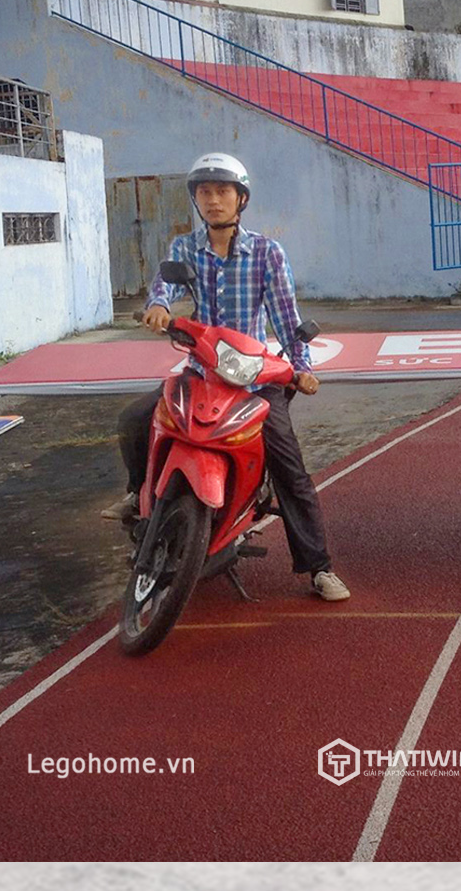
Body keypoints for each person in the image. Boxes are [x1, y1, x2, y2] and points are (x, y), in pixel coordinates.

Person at [99, 152, 349, 603]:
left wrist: (302, 369)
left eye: (222, 192)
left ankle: (319, 567)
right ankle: (139, 494)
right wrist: (158, 306)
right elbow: (164, 285)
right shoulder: (184, 248)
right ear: (196, 199)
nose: (213, 200)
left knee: (290, 470)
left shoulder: (267, 253)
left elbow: (286, 318)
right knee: (135, 420)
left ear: (241, 199)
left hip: (253, 377)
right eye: (204, 192)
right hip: (202, 370)